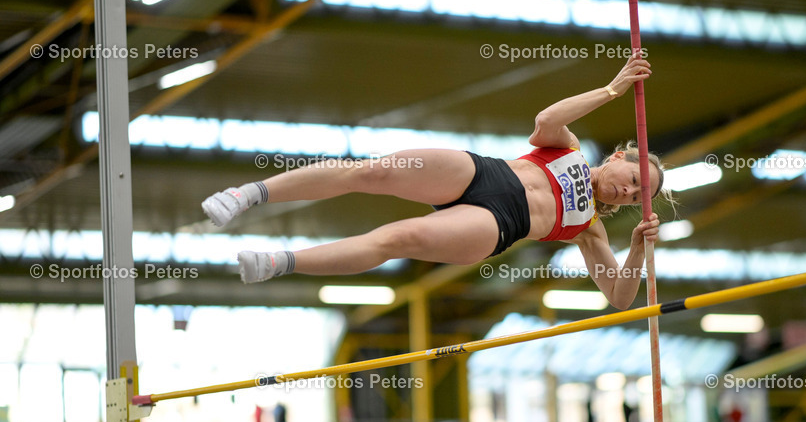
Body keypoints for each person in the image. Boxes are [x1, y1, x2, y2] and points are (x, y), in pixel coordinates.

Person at [201, 56, 670, 310]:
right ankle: (246, 195)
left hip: (496, 222)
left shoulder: (589, 226)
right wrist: (611, 90)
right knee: (370, 171)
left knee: (396, 239)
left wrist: (635, 249)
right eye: (633, 179)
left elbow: (619, 297)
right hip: (484, 172)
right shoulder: (565, 148)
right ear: (617, 158)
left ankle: (277, 263)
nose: (629, 193)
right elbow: (547, 117)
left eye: (637, 195)